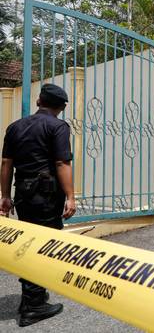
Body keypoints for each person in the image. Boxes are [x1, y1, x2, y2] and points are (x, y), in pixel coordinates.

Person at [0, 84, 76, 327]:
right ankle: (34, 306)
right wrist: (71, 196)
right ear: (62, 107)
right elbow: (62, 163)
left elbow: (6, 163)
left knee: (30, 242)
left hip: (23, 194)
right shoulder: (58, 127)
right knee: (42, 246)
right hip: (46, 197)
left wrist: (4, 195)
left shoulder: (15, 127)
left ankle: (30, 297)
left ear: (38, 101)